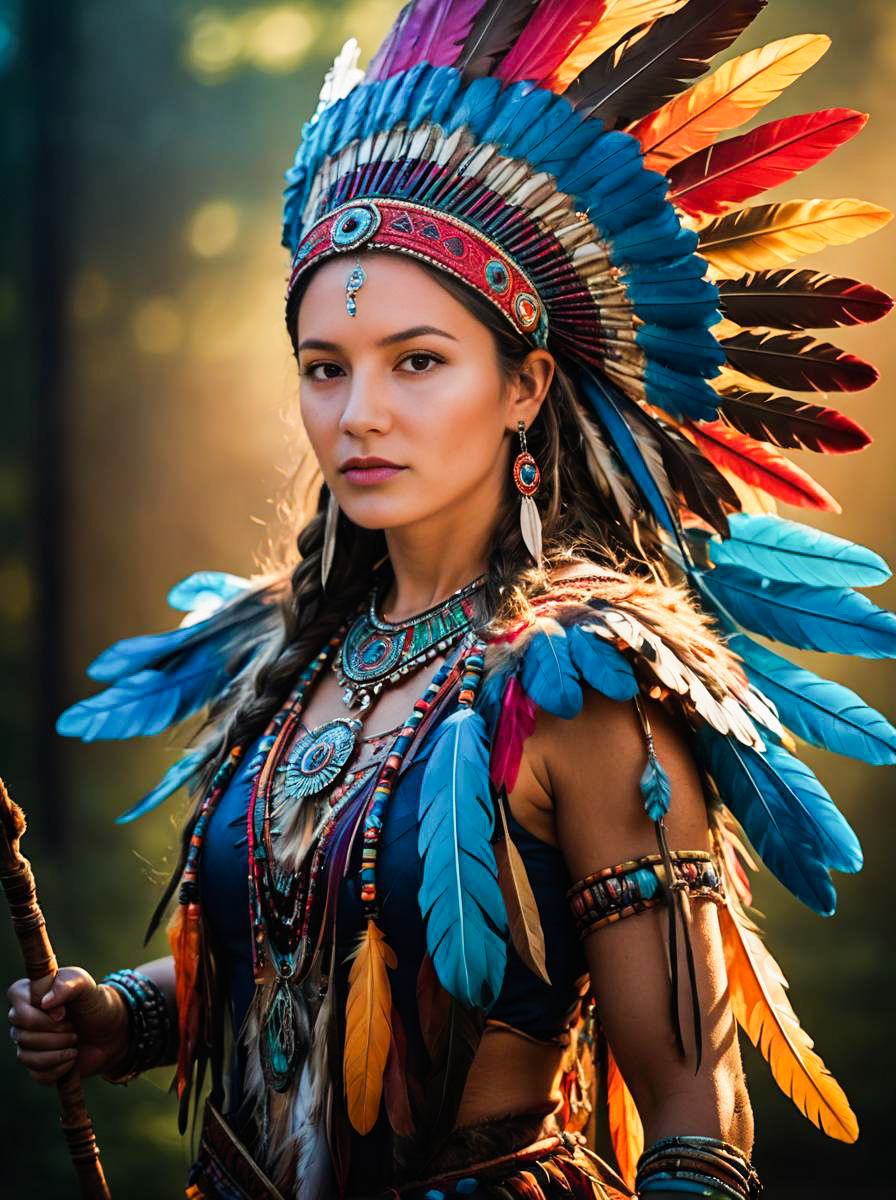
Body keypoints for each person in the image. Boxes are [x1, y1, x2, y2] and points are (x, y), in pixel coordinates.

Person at [7, 3, 893, 1198]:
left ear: (524, 383)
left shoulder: (579, 679)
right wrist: (125, 1014)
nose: (357, 414)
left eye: (415, 362)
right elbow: (298, 945)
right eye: (326, 369)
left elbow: (694, 1110)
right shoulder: (296, 654)